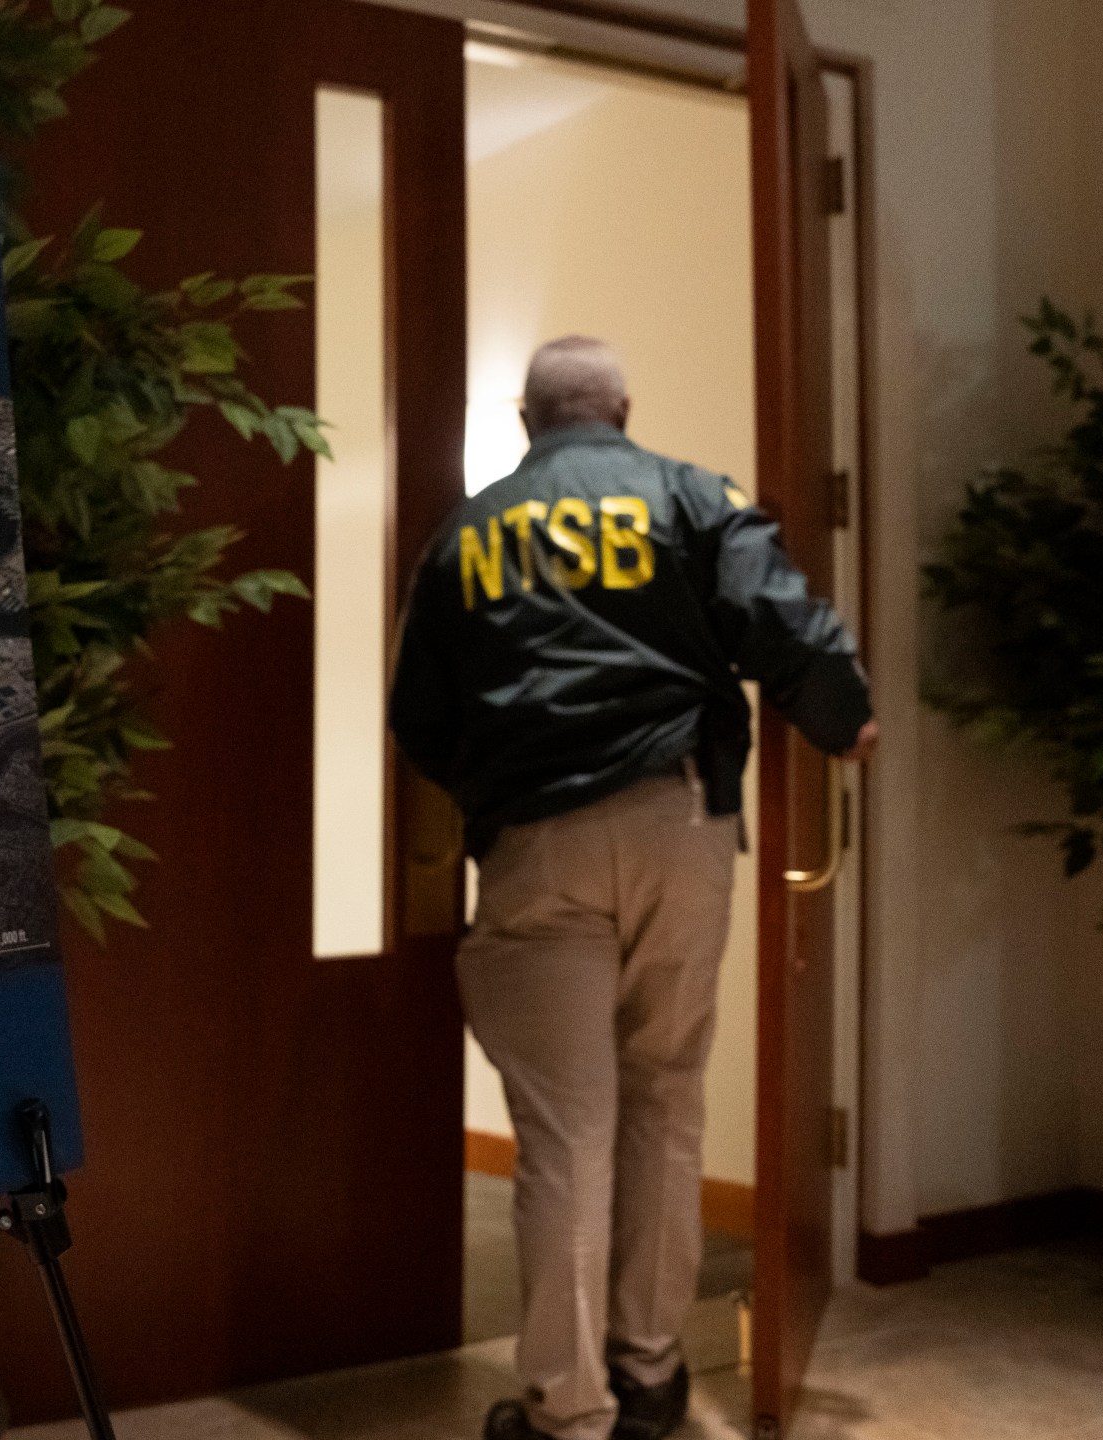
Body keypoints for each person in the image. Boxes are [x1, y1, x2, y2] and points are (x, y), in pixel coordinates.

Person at [388, 337, 875, 1440]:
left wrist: (498, 793)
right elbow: (784, 623)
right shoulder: (693, 497)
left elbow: (419, 715)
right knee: (664, 1098)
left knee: (564, 1131)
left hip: (539, 841)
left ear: (525, 419)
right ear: (620, 409)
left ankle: (569, 1410)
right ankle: (651, 1370)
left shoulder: (466, 534)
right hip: (681, 822)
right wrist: (843, 720)